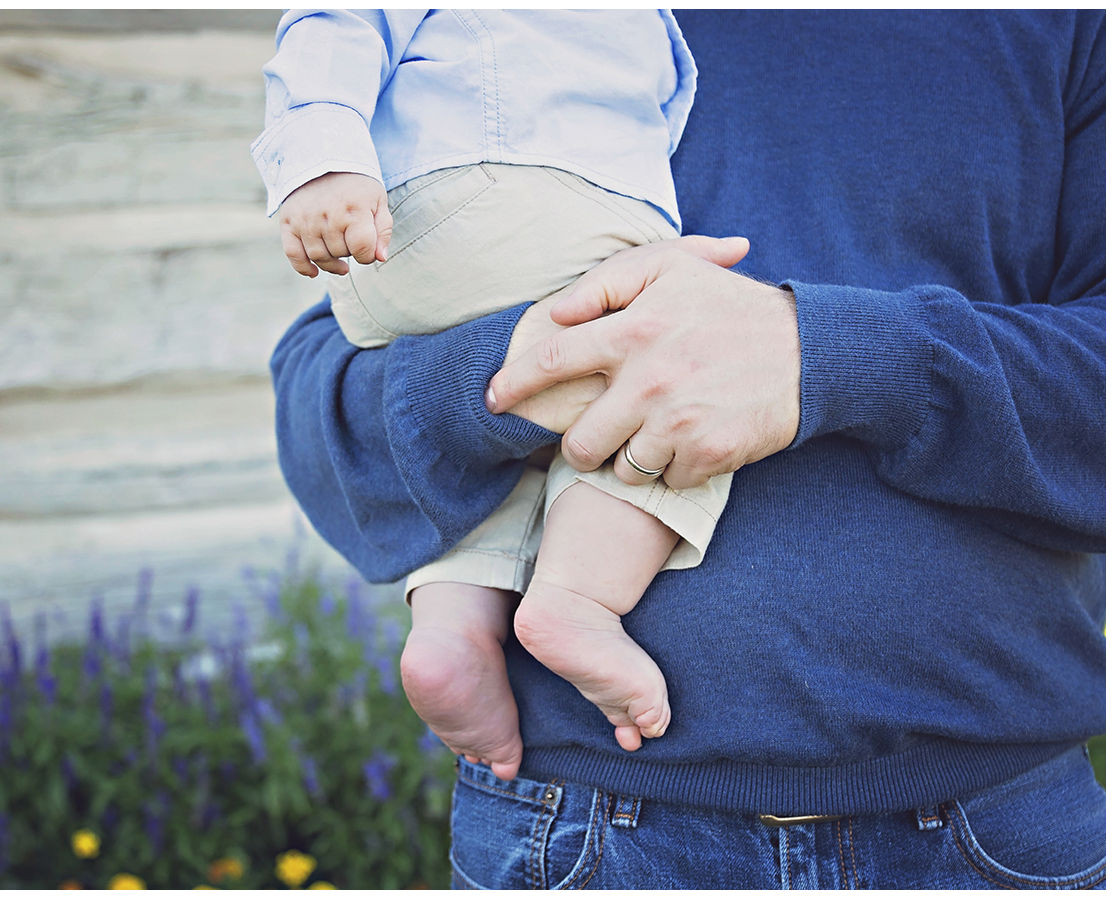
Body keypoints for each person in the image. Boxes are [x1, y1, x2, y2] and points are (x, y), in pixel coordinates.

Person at [270, 10, 1105, 890]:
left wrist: (825, 356)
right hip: (583, 830)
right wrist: (533, 365)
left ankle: (479, 614)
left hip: (995, 827)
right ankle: (547, 602)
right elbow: (317, 399)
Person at [253, 10, 741, 777]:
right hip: (510, 188)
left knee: (535, 452)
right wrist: (321, 160)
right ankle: (579, 598)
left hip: (393, 252)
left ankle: (453, 629)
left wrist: (326, 164)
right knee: (686, 362)